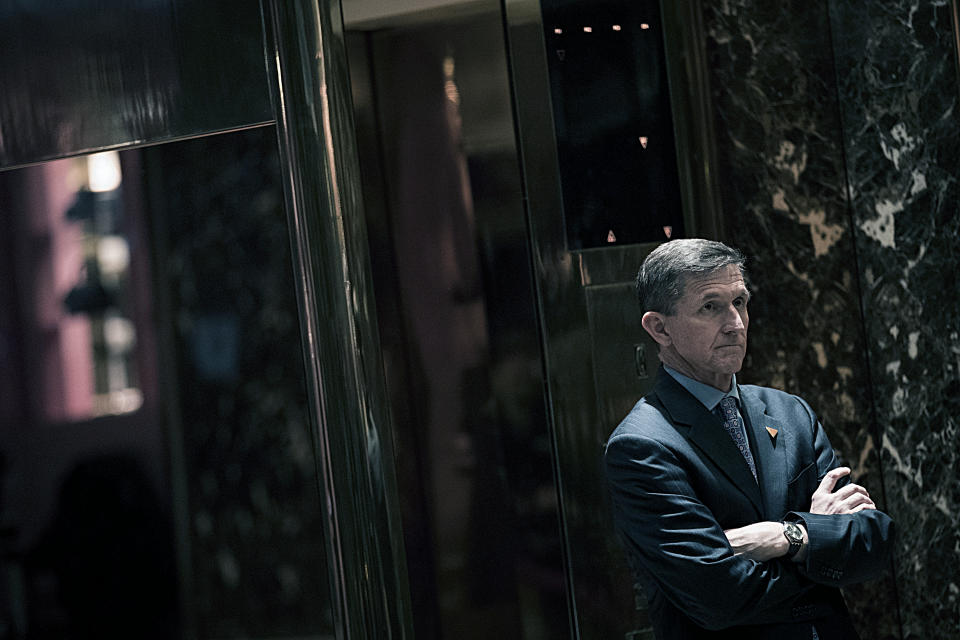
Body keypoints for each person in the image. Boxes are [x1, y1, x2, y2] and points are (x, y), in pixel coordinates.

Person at [604, 239, 894, 640]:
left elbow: (873, 542)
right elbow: (718, 596)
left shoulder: (790, 413)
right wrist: (818, 543)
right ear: (659, 327)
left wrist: (784, 536)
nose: (735, 323)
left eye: (739, 302)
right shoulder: (643, 445)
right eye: (711, 307)